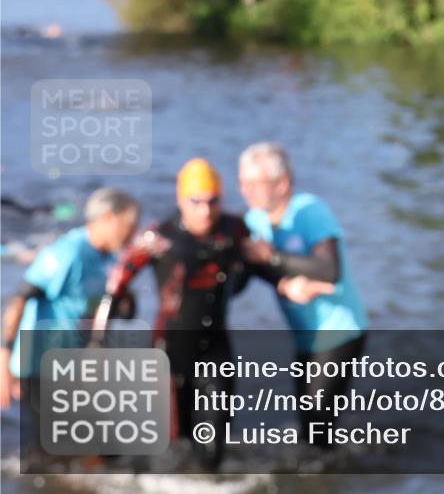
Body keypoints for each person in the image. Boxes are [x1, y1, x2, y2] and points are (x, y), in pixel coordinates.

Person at [100, 158, 334, 468]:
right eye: (196, 202)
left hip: (215, 351)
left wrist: (286, 284)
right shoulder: (159, 238)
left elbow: (256, 264)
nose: (205, 210)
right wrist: (98, 339)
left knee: (212, 449)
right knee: (175, 447)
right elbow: (116, 283)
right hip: (169, 354)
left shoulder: (233, 229)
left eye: (213, 201)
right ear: (181, 200)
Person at [238, 142, 367, 447]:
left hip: (339, 332)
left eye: (256, 184)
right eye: (243, 183)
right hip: (305, 338)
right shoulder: (254, 220)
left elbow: (329, 268)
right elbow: (250, 268)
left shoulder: (310, 211)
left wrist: (273, 258)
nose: (247, 191)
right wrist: (283, 284)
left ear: (282, 184)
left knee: (317, 425)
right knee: (310, 427)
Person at [0, 188, 140, 409]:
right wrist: (4, 363)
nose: (133, 235)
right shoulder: (69, 253)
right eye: (129, 227)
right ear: (108, 219)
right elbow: (19, 299)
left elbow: (123, 313)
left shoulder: (112, 259)